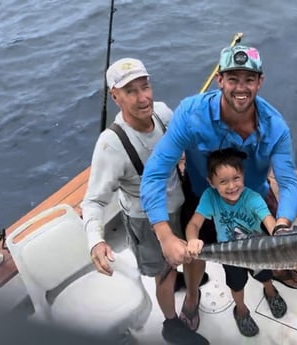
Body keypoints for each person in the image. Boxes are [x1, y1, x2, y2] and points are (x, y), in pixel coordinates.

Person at [140, 44, 297, 332]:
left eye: (249, 80)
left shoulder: (275, 126)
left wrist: (282, 224)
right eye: (233, 79)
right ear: (219, 80)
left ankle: (273, 275)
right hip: (203, 197)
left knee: (274, 247)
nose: (241, 87)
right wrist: (164, 234)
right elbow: (154, 174)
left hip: (254, 198)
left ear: (260, 82)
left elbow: (289, 183)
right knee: (194, 254)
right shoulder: (191, 114)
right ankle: (192, 296)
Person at [81, 58, 209, 345]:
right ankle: (171, 323)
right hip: (145, 219)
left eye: (145, 86)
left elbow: (188, 140)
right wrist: (96, 241)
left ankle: (190, 293)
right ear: (115, 97)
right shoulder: (110, 144)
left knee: (193, 254)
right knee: (163, 273)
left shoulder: (162, 112)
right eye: (131, 92)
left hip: (182, 200)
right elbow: (93, 201)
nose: (144, 97)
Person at [186, 148, 288, 337]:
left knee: (266, 275)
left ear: (243, 176)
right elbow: (193, 223)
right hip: (230, 255)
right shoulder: (210, 197)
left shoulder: (253, 198)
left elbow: (269, 222)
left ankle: (270, 290)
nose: (231, 186)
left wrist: (279, 235)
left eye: (236, 178)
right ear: (211, 182)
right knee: (237, 285)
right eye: (223, 181)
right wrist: (192, 239)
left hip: (258, 252)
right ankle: (241, 310)